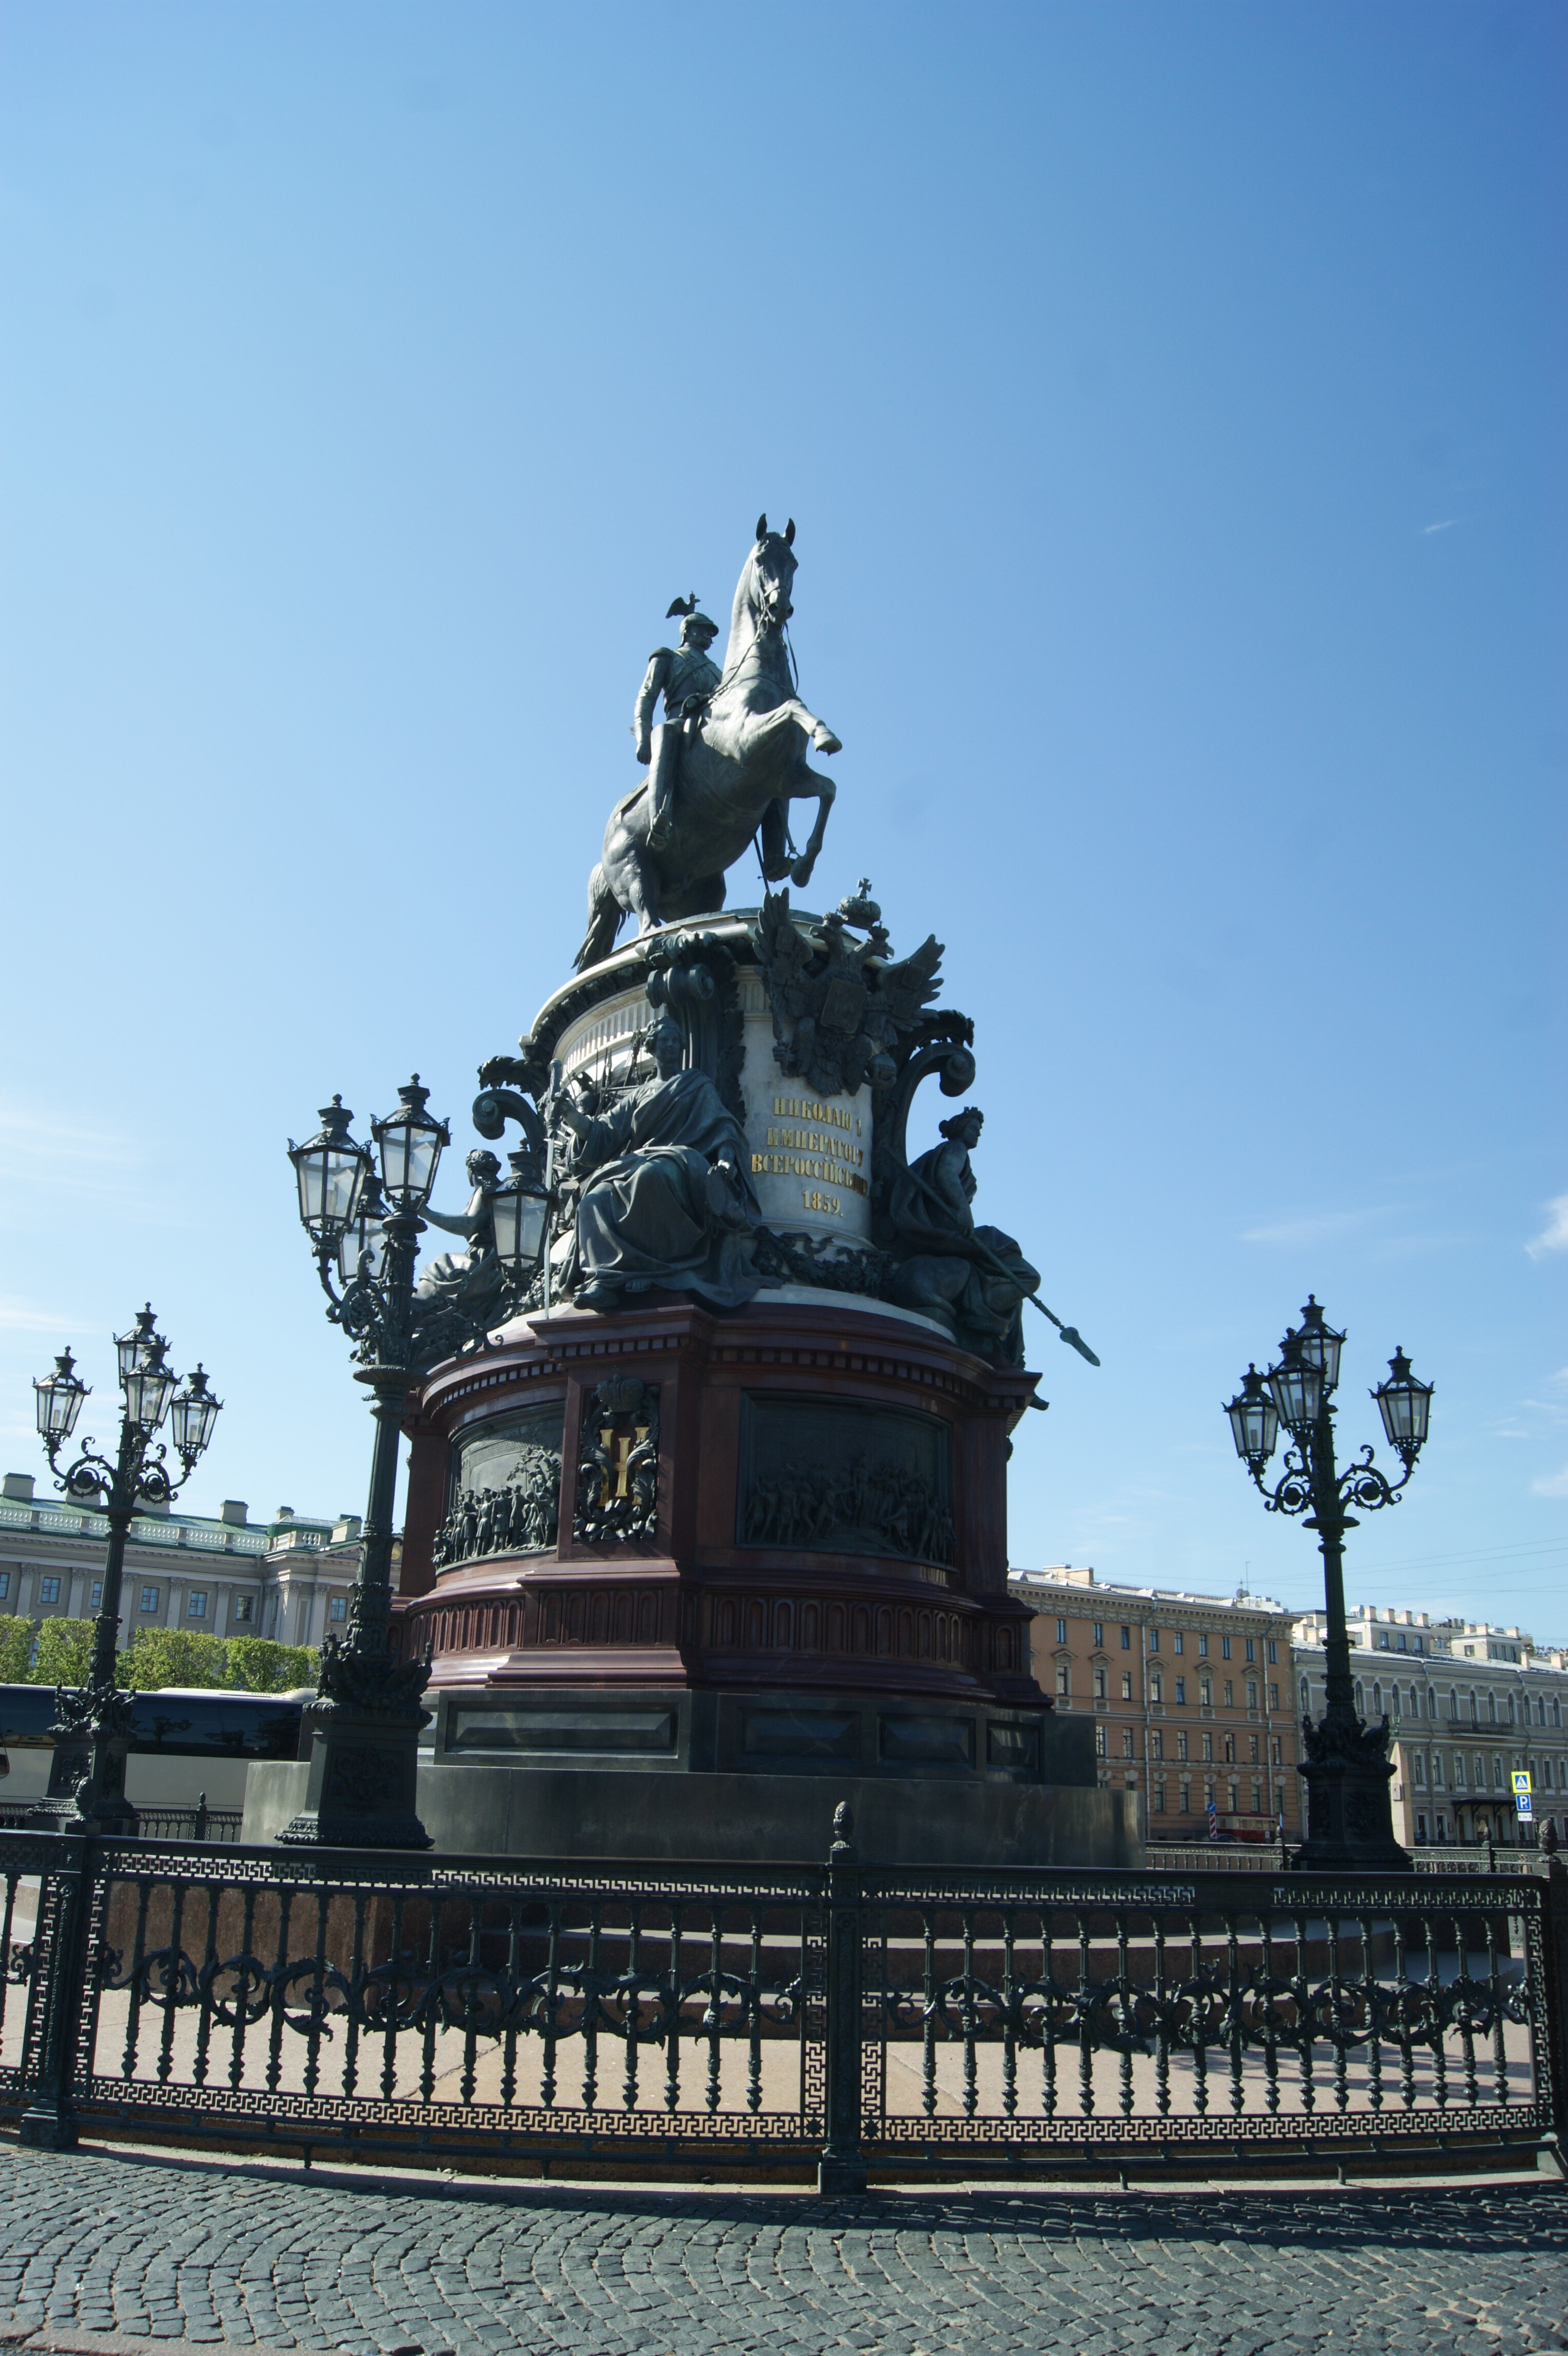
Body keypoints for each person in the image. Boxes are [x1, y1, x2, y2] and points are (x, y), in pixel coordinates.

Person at [554, 1014, 760, 1310]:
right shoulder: (638, 1095)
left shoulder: (697, 1085)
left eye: (675, 1040)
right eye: (664, 1040)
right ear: (652, 1047)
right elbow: (603, 1133)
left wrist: (726, 1163)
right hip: (640, 1160)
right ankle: (604, 1279)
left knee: (650, 1176)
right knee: (593, 1200)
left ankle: (646, 1269)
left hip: (683, 1160)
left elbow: (724, 1127)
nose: (670, 1045)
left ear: (682, 1047)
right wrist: (571, 1115)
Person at [885, 1108, 1040, 1363]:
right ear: (959, 1129)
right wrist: (963, 1211)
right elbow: (946, 1173)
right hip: (951, 1234)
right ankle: (988, 1319)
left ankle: (993, 1328)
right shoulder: (955, 1149)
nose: (978, 1133)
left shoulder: (953, 1152)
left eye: (979, 1129)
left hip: (952, 1235)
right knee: (1014, 1260)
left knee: (1012, 1289)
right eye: (973, 1128)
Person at [632, 599, 722, 851]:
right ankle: (659, 818)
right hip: (678, 719)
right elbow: (646, 696)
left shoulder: (719, 672)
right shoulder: (668, 657)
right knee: (666, 732)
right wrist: (643, 737)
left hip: (710, 723)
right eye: (704, 630)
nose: (710, 637)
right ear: (688, 632)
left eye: (711, 633)